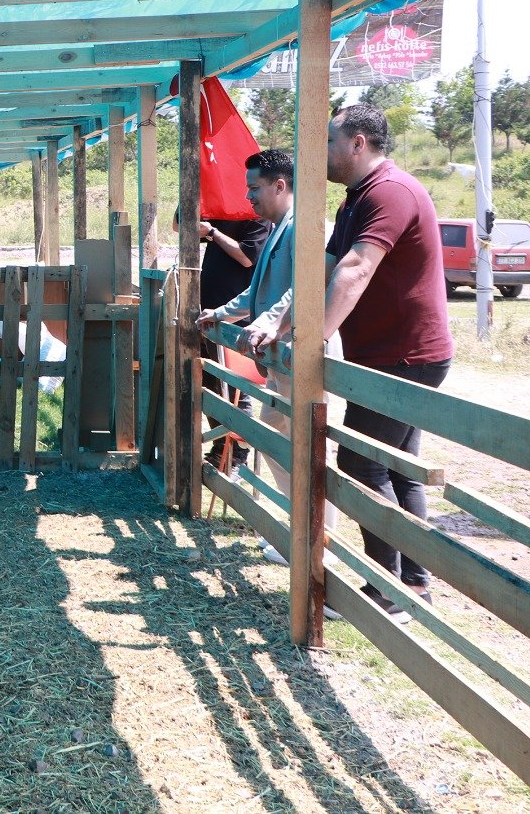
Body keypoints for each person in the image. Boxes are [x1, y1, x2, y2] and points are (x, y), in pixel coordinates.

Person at [316, 104, 453, 621]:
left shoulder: (390, 192)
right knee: (397, 469)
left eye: (329, 142)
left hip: (407, 355)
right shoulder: (356, 198)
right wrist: (280, 323)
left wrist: (314, 338)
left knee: (360, 462)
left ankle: (388, 589)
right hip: (388, 353)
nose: (323, 154)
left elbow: (355, 268)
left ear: (357, 143)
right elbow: (327, 267)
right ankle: (412, 586)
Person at [197, 149, 341, 579]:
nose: (248, 197)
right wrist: (222, 313)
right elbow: (260, 291)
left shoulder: (305, 229)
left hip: (303, 354)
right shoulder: (279, 228)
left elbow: (302, 289)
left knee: (309, 447)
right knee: (278, 438)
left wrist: (268, 321)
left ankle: (320, 545)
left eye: (254, 188)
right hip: (279, 357)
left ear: (280, 185)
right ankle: (302, 531)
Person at [178, 205, 270, 469]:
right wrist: (196, 200)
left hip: (235, 319)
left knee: (234, 389)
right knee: (210, 383)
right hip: (211, 313)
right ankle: (223, 448)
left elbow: (247, 257)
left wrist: (214, 233)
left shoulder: (258, 215)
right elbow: (179, 225)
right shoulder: (221, 207)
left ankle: (237, 452)